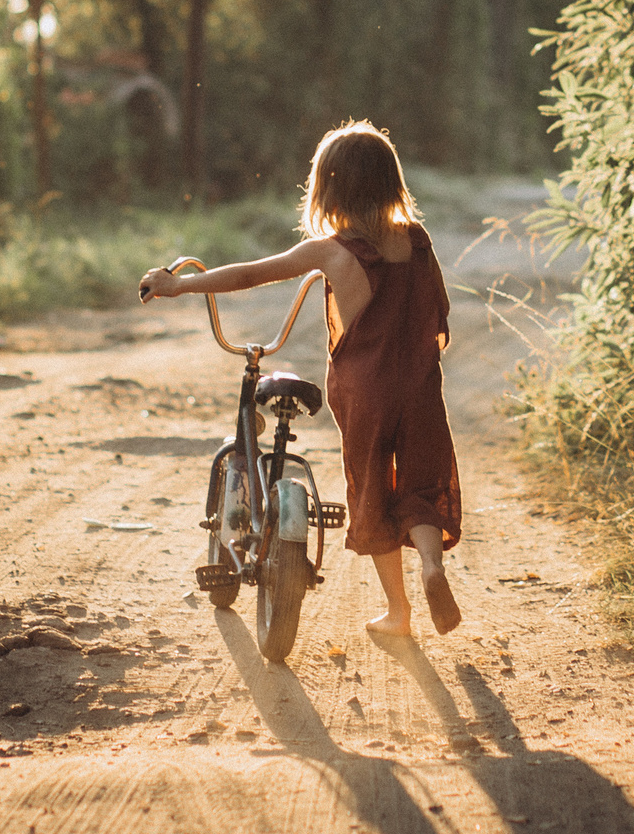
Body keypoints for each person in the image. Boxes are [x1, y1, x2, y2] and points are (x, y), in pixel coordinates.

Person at [138, 120, 464, 638]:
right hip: (421, 387)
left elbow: (250, 274)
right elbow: (437, 313)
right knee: (421, 482)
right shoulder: (416, 241)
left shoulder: (331, 252)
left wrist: (179, 286)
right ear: (389, 182)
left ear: (329, 189)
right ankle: (431, 566)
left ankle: (398, 613)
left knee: (373, 492)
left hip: (367, 392)